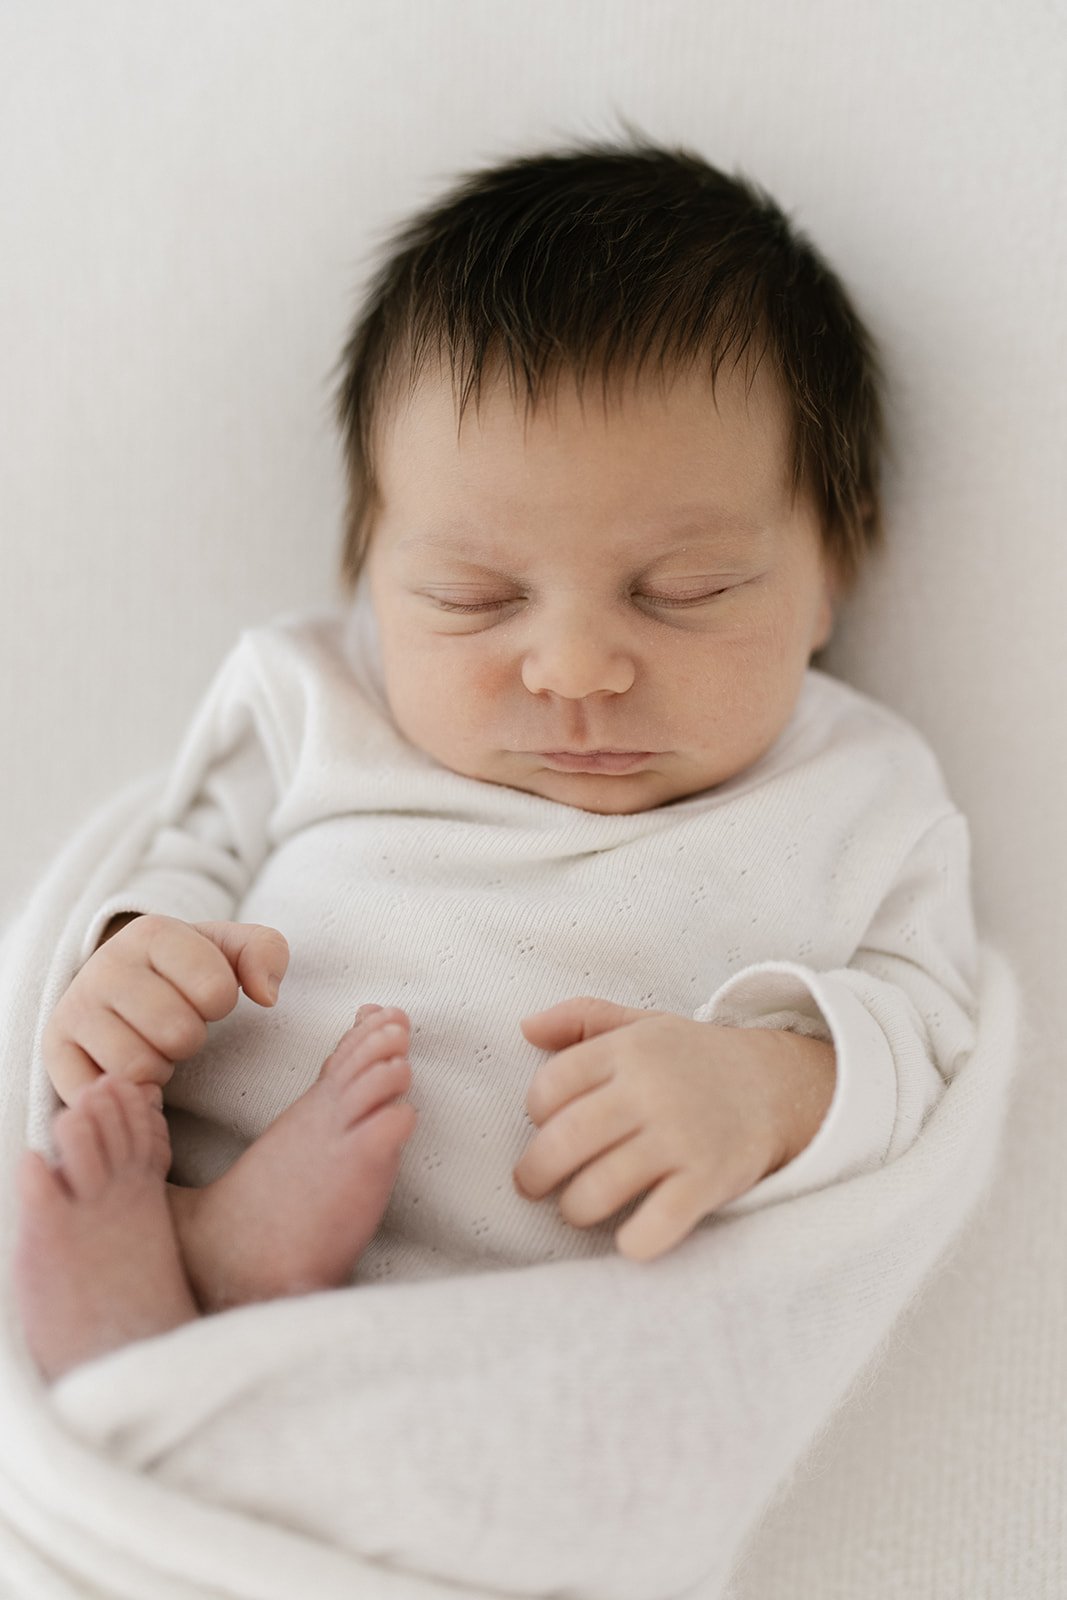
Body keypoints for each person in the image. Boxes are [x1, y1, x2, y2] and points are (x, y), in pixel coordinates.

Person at [13, 135, 977, 1384]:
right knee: (101, 1143)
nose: (573, 668)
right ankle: (194, 1255)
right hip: (225, 1144)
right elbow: (187, 844)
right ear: (368, 568)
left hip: (536, 1334)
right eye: (471, 597)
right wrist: (140, 950)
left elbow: (924, 1027)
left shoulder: (860, 794)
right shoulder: (319, 693)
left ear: (832, 569)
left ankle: (218, 1316)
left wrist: (765, 1089)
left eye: (685, 591)